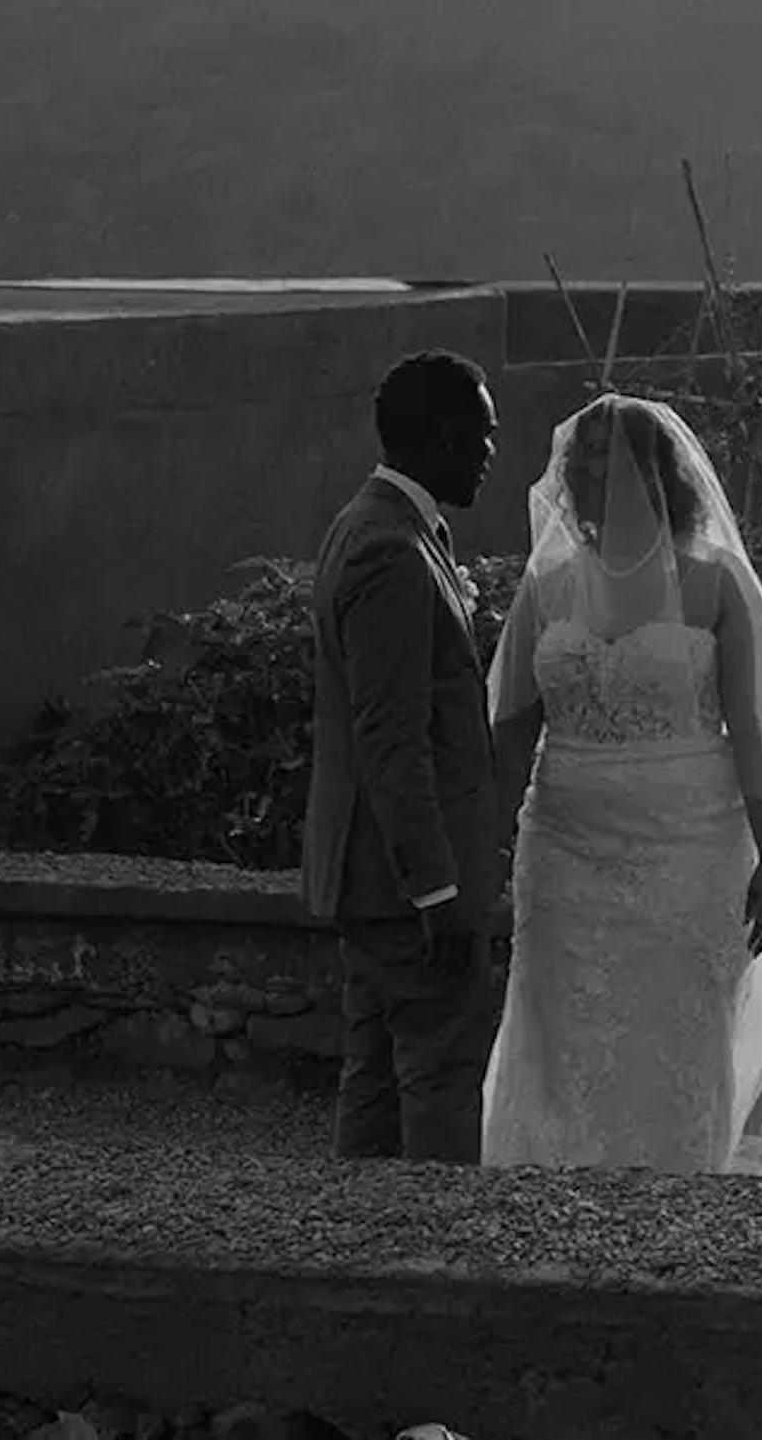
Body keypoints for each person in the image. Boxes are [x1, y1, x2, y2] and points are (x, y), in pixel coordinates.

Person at [480, 392, 762, 1174]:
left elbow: (755, 728)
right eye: (580, 461)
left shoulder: (715, 583)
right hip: (563, 849)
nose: (589, 474)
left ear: (659, 475)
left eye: (608, 458)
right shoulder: (546, 585)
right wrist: (484, 844)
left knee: (676, 1029)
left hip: (690, 851)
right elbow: (509, 725)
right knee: (560, 1031)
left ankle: (680, 1184)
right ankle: (546, 1182)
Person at [300, 348, 506, 1161]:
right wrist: (438, 889)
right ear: (446, 436)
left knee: (379, 1075)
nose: (494, 455)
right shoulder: (391, 548)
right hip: (407, 885)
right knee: (439, 1078)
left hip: (373, 878)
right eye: (484, 437)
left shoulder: (376, 524)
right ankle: (432, 1260)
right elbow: (393, 737)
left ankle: (361, 1252)